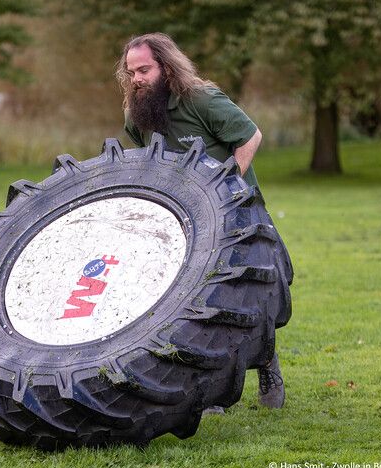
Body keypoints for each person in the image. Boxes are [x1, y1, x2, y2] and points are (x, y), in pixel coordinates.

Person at [118, 33, 284, 410]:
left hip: (238, 218)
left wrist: (225, 188)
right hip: (179, 225)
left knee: (250, 300)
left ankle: (268, 364)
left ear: (166, 66)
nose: (137, 79)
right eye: (131, 72)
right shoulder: (136, 115)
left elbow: (250, 136)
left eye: (144, 70)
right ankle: (212, 389)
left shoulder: (202, 99)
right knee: (196, 308)